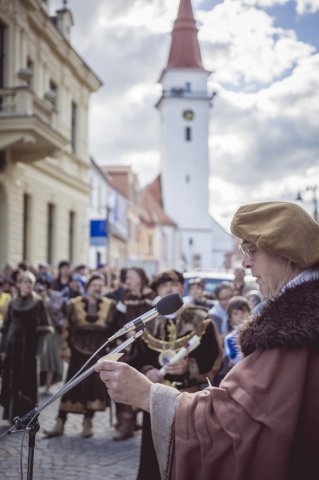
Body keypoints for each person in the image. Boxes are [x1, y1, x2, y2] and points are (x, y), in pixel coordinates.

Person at [96, 201, 319, 480]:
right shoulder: (299, 320)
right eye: (243, 251)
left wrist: (148, 394)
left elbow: (231, 424)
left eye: (252, 251)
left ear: (285, 252)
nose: (245, 262)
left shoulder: (293, 334)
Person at [126, 269, 222, 480]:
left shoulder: (200, 317)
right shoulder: (147, 322)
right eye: (163, 285)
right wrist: (147, 371)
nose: (169, 288)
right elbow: (136, 358)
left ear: (181, 287)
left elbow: (214, 355)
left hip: (187, 398)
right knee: (153, 452)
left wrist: (190, 368)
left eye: (174, 284)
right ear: (158, 291)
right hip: (154, 397)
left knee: (185, 450)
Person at [44, 273, 116, 438]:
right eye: (94, 285)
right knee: (71, 387)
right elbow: (67, 328)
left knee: (92, 389)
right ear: (88, 287)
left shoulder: (109, 306)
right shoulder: (74, 305)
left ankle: (87, 423)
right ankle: (60, 423)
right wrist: (65, 350)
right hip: (77, 353)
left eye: (100, 285)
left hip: (98, 353)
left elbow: (113, 331)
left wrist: (112, 352)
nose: (97, 288)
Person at [0, 271, 53, 421]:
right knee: (12, 380)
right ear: (19, 284)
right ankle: (12, 415)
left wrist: (39, 350)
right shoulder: (13, 303)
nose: (27, 285)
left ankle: (27, 416)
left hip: (30, 349)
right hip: (13, 348)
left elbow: (44, 328)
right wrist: (3, 349)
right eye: (24, 282)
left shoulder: (38, 303)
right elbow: (6, 327)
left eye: (29, 282)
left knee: (28, 382)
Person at [35, 279, 65, 394]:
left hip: (54, 332)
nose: (40, 291)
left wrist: (46, 301)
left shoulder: (55, 297)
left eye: (42, 288)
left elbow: (59, 311)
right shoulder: (35, 298)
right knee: (41, 360)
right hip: (39, 333)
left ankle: (48, 386)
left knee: (52, 360)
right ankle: (38, 384)